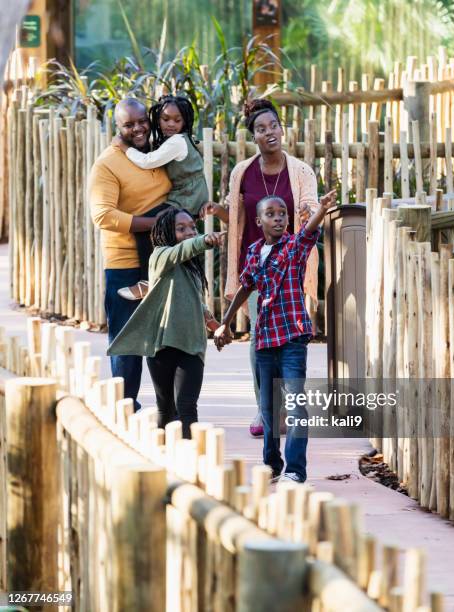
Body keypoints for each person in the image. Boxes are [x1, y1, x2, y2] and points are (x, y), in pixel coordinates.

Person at [202, 98, 319, 437]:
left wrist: (311, 212)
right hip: (258, 266)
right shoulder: (243, 172)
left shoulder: (300, 171)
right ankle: (264, 409)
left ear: (282, 129)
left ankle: (287, 406)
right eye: (261, 129)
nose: (270, 133)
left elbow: (310, 208)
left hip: (290, 267)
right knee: (259, 340)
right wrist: (217, 212)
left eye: (274, 127)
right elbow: (236, 215)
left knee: (289, 338)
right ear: (254, 136)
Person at [214, 189, 337, 483]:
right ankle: (272, 463)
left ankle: (295, 469)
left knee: (294, 403)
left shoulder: (293, 247)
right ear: (259, 221)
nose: (279, 219)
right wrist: (225, 323)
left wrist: (321, 210)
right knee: (268, 408)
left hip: (292, 338)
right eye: (271, 214)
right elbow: (246, 285)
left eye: (282, 214)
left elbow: (308, 233)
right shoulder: (255, 251)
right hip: (265, 340)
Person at [108, 208, 224, 438]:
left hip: (191, 345)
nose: (189, 232)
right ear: (164, 233)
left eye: (192, 227)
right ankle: (165, 462)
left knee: (187, 407)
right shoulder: (159, 257)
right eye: (181, 229)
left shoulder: (190, 268)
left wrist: (216, 326)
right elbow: (181, 250)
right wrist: (204, 240)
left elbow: (197, 303)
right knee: (166, 410)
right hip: (161, 347)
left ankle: (193, 464)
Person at [89, 98, 172, 410]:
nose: (138, 128)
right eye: (129, 124)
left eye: (142, 121)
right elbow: (103, 215)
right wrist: (159, 223)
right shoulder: (107, 164)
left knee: (167, 337)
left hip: (163, 259)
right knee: (127, 340)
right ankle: (125, 407)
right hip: (125, 261)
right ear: (117, 127)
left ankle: (171, 409)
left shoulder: (158, 154)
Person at [113, 94, 210, 301]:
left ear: (185, 121)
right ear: (158, 118)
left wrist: (125, 147)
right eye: (165, 119)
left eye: (177, 120)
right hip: (191, 196)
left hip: (185, 198)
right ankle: (164, 281)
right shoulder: (180, 140)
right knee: (166, 237)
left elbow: (148, 161)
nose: (171, 124)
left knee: (145, 226)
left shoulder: (176, 141)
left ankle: (146, 283)